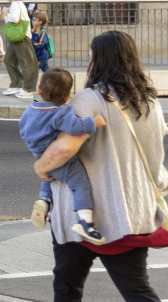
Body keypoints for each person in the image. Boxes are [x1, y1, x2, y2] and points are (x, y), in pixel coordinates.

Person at [33, 31, 168, 302]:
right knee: (140, 292)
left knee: (68, 288)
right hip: (129, 215)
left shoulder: (88, 100)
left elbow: (60, 153)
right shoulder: (150, 102)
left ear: (99, 60)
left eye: (91, 55)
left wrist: (40, 168)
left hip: (80, 218)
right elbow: (156, 161)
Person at [20, 68, 106, 242]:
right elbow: (75, 127)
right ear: (67, 97)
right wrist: (92, 122)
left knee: (49, 177)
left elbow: (23, 129)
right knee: (80, 184)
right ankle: (86, 222)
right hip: (61, 162)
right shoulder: (60, 113)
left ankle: (44, 201)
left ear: (38, 89)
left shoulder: (30, 110)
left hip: (39, 153)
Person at [3, 0, 39, 99]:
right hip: (17, 36)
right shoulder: (17, 4)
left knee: (26, 63)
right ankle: (17, 84)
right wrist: (6, 14)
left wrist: (5, 12)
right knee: (9, 60)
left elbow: (14, 19)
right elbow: (11, 20)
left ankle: (28, 89)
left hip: (22, 36)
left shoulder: (15, 4)